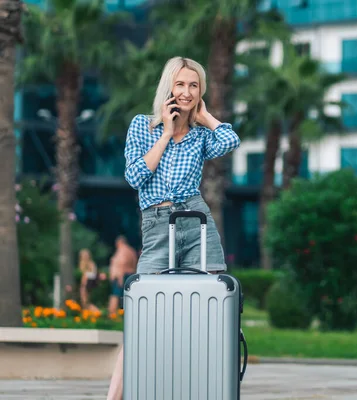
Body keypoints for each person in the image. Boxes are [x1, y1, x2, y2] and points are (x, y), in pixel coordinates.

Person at [106, 56, 240, 399]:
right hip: (157, 220)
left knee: (213, 305)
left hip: (196, 219)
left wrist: (205, 116)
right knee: (140, 316)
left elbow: (230, 141)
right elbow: (136, 176)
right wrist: (166, 133)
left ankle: (203, 388)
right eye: (180, 84)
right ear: (168, 87)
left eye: (194, 85)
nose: (186, 91)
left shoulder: (200, 136)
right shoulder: (142, 126)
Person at [107, 236, 137, 314]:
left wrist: (120, 277)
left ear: (119, 243)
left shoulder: (122, 250)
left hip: (121, 277)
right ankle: (124, 315)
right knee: (127, 297)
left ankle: (112, 315)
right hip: (130, 276)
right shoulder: (131, 251)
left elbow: (122, 264)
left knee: (115, 296)